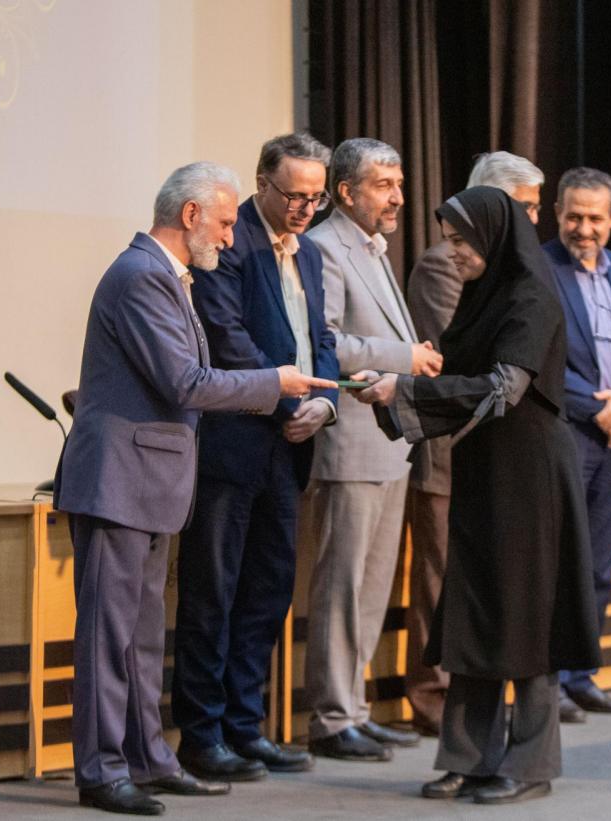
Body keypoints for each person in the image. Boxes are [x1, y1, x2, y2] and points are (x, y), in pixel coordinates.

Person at [53, 162, 335, 816]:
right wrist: (274, 382)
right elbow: (184, 382)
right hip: (118, 482)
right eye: (226, 222)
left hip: (149, 482)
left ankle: (149, 758)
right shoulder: (140, 276)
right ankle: (101, 770)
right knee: (108, 638)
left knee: (143, 637)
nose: (232, 237)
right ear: (189, 214)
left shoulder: (168, 277)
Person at [353, 186, 600, 805]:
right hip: (486, 470)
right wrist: (396, 382)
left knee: (527, 619)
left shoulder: (532, 296)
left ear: (494, 237)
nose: (453, 252)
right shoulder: (482, 295)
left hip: (531, 479)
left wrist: (402, 393)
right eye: (449, 240)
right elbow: (460, 377)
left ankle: (530, 765)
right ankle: (469, 758)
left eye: (462, 240)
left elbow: (500, 390)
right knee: (473, 613)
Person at [171, 133, 338, 780]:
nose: (305, 208)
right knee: (212, 592)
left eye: (316, 198)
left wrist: (327, 403)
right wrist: (288, 405)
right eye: (295, 195)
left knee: (268, 591)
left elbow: (321, 339)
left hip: (290, 448)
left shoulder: (311, 254)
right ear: (262, 182)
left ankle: (245, 727)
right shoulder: (229, 239)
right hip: (234, 443)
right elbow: (226, 336)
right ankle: (202, 735)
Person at [302, 137, 442, 761]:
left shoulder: (372, 247)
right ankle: (331, 718)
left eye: (399, 184)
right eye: (384, 185)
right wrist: (403, 356)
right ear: (345, 191)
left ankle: (354, 709)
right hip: (351, 445)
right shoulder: (324, 246)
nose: (398, 198)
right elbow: (325, 342)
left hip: (388, 445)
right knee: (343, 587)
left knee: (372, 587)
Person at [402, 150, 545, 737]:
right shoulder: (444, 265)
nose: (533, 219)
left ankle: (486, 702)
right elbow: (455, 357)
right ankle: (434, 699)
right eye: (524, 207)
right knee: (441, 579)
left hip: (501, 447)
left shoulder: (524, 276)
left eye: (534, 208)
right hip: (450, 446)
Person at [543, 167, 611, 723]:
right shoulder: (541, 267)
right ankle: (550, 683)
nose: (583, 228)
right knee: (560, 566)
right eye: (573, 216)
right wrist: (601, 407)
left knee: (598, 567)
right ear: (557, 213)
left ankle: (582, 674)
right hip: (566, 435)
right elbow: (539, 360)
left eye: (594, 218)